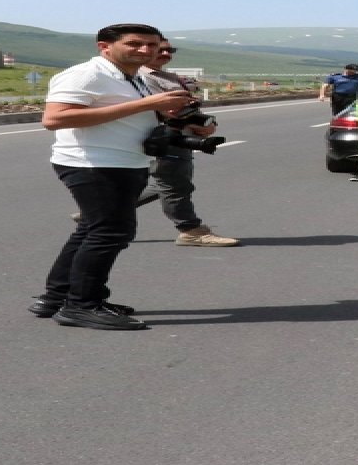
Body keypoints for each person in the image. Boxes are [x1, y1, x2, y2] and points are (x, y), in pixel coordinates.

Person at [28, 23, 198, 331]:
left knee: (91, 231)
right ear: (104, 46)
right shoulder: (87, 74)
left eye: (152, 45)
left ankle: (57, 297)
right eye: (135, 44)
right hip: (94, 164)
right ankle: (81, 306)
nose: (146, 50)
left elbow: (127, 113)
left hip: (122, 162)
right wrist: (150, 104)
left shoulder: (133, 78)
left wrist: (175, 118)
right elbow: (54, 118)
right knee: (110, 233)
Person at [136, 39, 239, 246]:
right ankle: (191, 230)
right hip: (168, 137)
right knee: (174, 185)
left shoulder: (165, 75)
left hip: (179, 137)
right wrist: (195, 122)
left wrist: (208, 124)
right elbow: (168, 110)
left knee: (164, 183)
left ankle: (97, 212)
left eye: (169, 50)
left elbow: (187, 107)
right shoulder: (143, 77)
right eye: (160, 49)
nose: (165, 53)